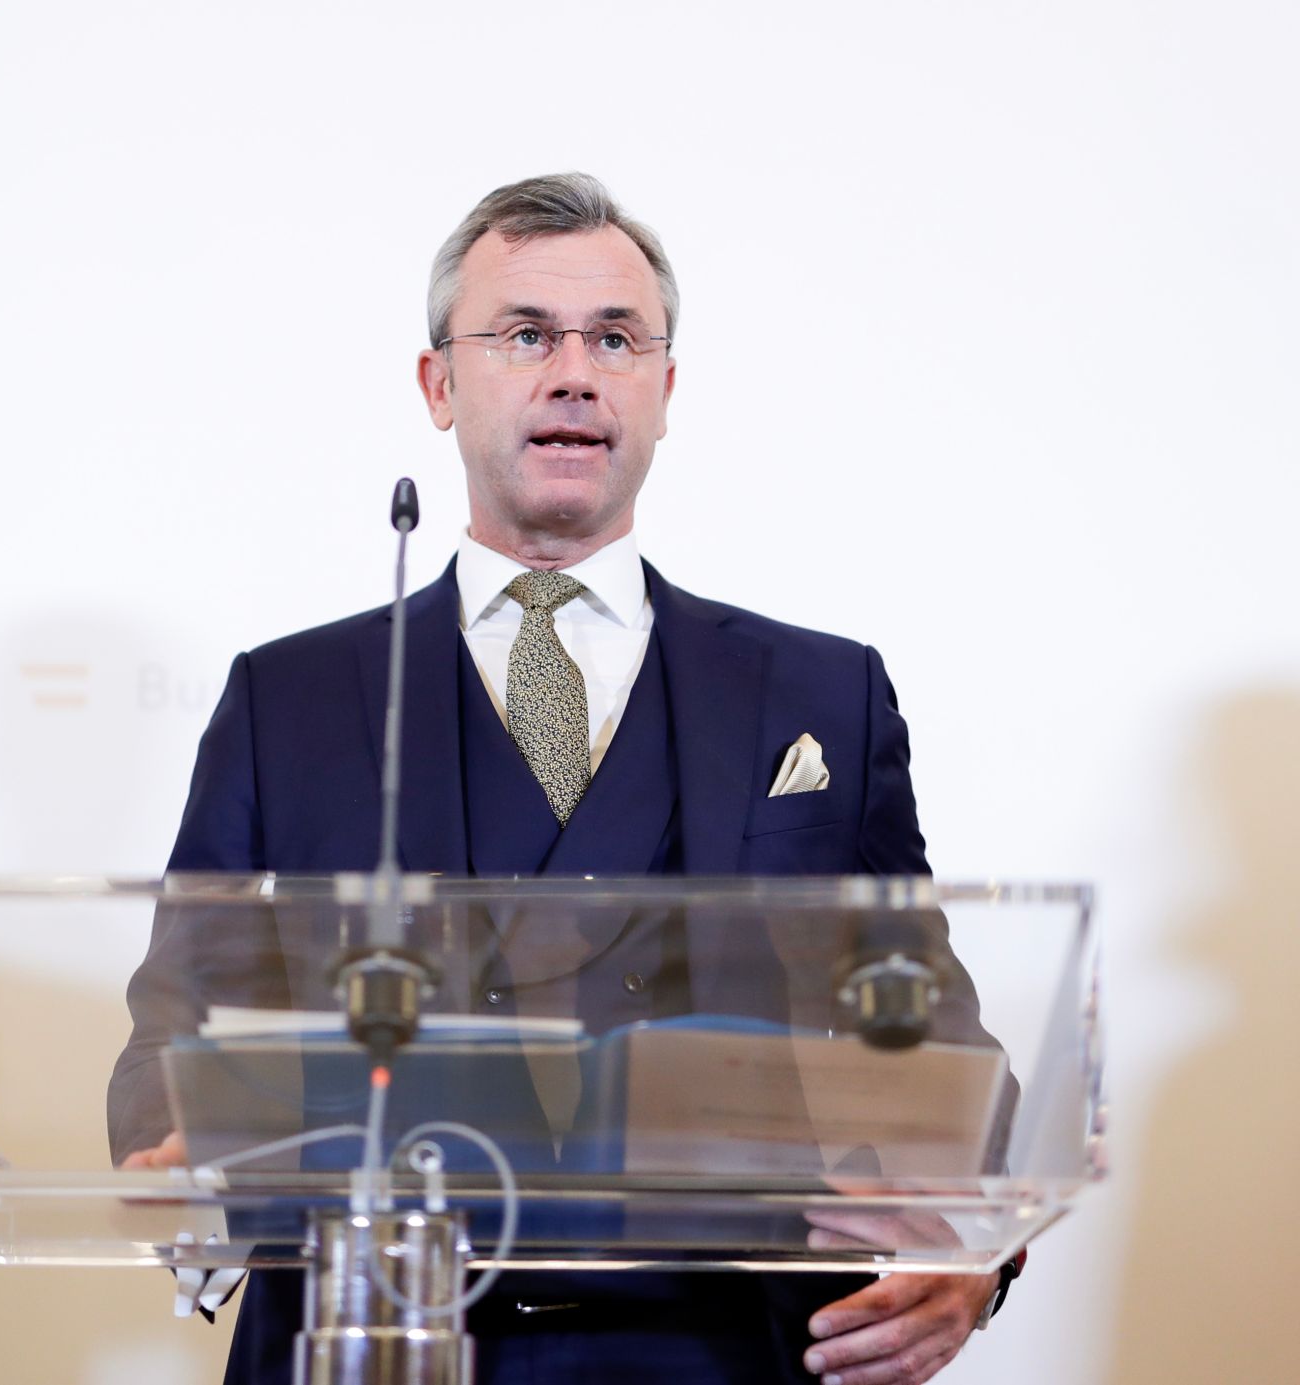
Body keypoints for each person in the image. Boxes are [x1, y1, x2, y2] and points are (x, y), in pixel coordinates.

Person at [110, 173, 1011, 1384]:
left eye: (615, 339)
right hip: (374, 1333)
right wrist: (185, 1167)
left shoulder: (821, 693)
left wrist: (977, 1244)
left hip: (722, 1354)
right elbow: (177, 1025)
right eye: (526, 334)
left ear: (664, 389)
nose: (575, 373)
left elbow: (927, 1029)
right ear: (439, 383)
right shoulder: (288, 695)